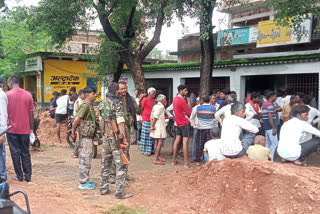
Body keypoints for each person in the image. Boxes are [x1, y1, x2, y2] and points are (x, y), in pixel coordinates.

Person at [99, 82, 132, 199]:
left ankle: (103, 188)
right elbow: (121, 122)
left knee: (105, 163)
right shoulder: (117, 103)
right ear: (117, 91)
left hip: (106, 137)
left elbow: (100, 121)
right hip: (116, 137)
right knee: (121, 165)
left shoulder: (101, 103)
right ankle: (119, 192)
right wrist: (123, 138)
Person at [6, 76, 34, 182]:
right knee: (25, 152)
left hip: (11, 129)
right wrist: (31, 129)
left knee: (15, 152)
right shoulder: (28, 95)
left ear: (10, 84)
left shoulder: (7, 95)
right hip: (25, 129)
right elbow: (31, 113)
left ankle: (19, 176)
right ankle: (28, 176)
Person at [115, 81, 142, 181]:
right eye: (121, 89)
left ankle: (124, 174)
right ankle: (114, 175)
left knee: (126, 152)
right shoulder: (114, 100)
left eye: (125, 88)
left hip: (126, 129)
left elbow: (138, 111)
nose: (124, 90)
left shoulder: (130, 99)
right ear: (117, 90)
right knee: (116, 152)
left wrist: (141, 102)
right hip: (116, 130)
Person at [72, 87, 97, 189]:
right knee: (84, 159)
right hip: (85, 136)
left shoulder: (90, 106)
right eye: (93, 94)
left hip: (89, 136)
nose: (95, 95)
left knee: (88, 158)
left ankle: (86, 179)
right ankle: (83, 182)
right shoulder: (85, 106)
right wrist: (73, 131)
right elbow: (77, 119)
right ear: (87, 95)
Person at [172, 85, 191, 168]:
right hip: (184, 122)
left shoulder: (175, 99)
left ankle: (174, 160)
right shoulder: (182, 100)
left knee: (177, 141)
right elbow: (189, 112)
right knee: (185, 141)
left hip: (178, 122)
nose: (186, 92)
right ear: (181, 91)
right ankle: (186, 163)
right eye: (185, 90)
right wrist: (189, 104)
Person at [194, 95, 217, 165]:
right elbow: (215, 118)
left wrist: (194, 125)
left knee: (199, 144)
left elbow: (194, 117)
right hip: (210, 128)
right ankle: (208, 159)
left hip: (201, 128)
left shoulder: (198, 108)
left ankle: (197, 160)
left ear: (202, 100)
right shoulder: (213, 108)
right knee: (209, 144)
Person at [149, 94, 167, 165]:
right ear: (162, 100)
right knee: (160, 141)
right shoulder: (160, 106)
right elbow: (155, 117)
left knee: (156, 141)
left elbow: (151, 116)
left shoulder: (155, 106)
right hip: (159, 126)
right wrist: (153, 125)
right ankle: (156, 158)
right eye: (165, 99)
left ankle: (157, 156)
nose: (166, 101)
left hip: (156, 125)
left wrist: (152, 124)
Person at [262, 91, 278, 161]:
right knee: (274, 143)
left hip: (266, 126)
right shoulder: (270, 105)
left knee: (268, 143)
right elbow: (270, 116)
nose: (276, 98)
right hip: (270, 127)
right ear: (272, 97)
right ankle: (270, 159)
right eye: (275, 96)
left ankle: (267, 158)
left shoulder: (265, 104)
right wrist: (274, 128)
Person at [140, 87, 156, 156]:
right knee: (145, 135)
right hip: (146, 119)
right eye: (153, 93)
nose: (154, 94)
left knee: (151, 136)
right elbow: (141, 108)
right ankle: (144, 149)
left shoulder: (154, 101)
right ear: (149, 93)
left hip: (151, 119)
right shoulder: (145, 100)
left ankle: (149, 150)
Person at [72, 89, 85, 158]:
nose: (85, 95)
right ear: (80, 95)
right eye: (83, 94)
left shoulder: (81, 101)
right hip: (78, 120)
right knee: (78, 137)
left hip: (79, 120)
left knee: (79, 137)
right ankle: (75, 153)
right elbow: (78, 111)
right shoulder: (78, 102)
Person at [0, 77, 8, 182]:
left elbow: (2, 115)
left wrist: (2, 133)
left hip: (0, 130)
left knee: (0, 154)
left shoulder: (1, 96)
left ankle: (2, 179)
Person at [189, 97, 200, 162]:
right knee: (195, 142)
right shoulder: (195, 108)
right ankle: (194, 157)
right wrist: (193, 125)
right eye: (197, 101)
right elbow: (191, 118)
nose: (198, 102)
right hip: (196, 127)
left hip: (203, 127)